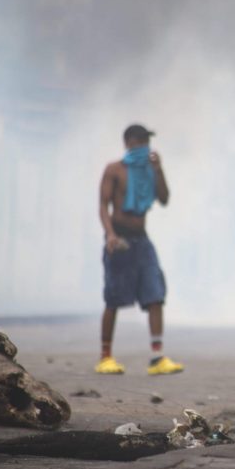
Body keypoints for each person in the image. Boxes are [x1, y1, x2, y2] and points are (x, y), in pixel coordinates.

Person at [96, 123, 183, 376]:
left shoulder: (148, 171)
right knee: (113, 298)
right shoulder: (114, 170)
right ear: (129, 143)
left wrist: (159, 169)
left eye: (147, 141)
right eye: (140, 141)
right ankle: (105, 357)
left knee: (155, 294)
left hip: (142, 240)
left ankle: (157, 358)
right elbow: (103, 205)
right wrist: (110, 234)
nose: (145, 146)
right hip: (119, 240)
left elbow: (164, 199)